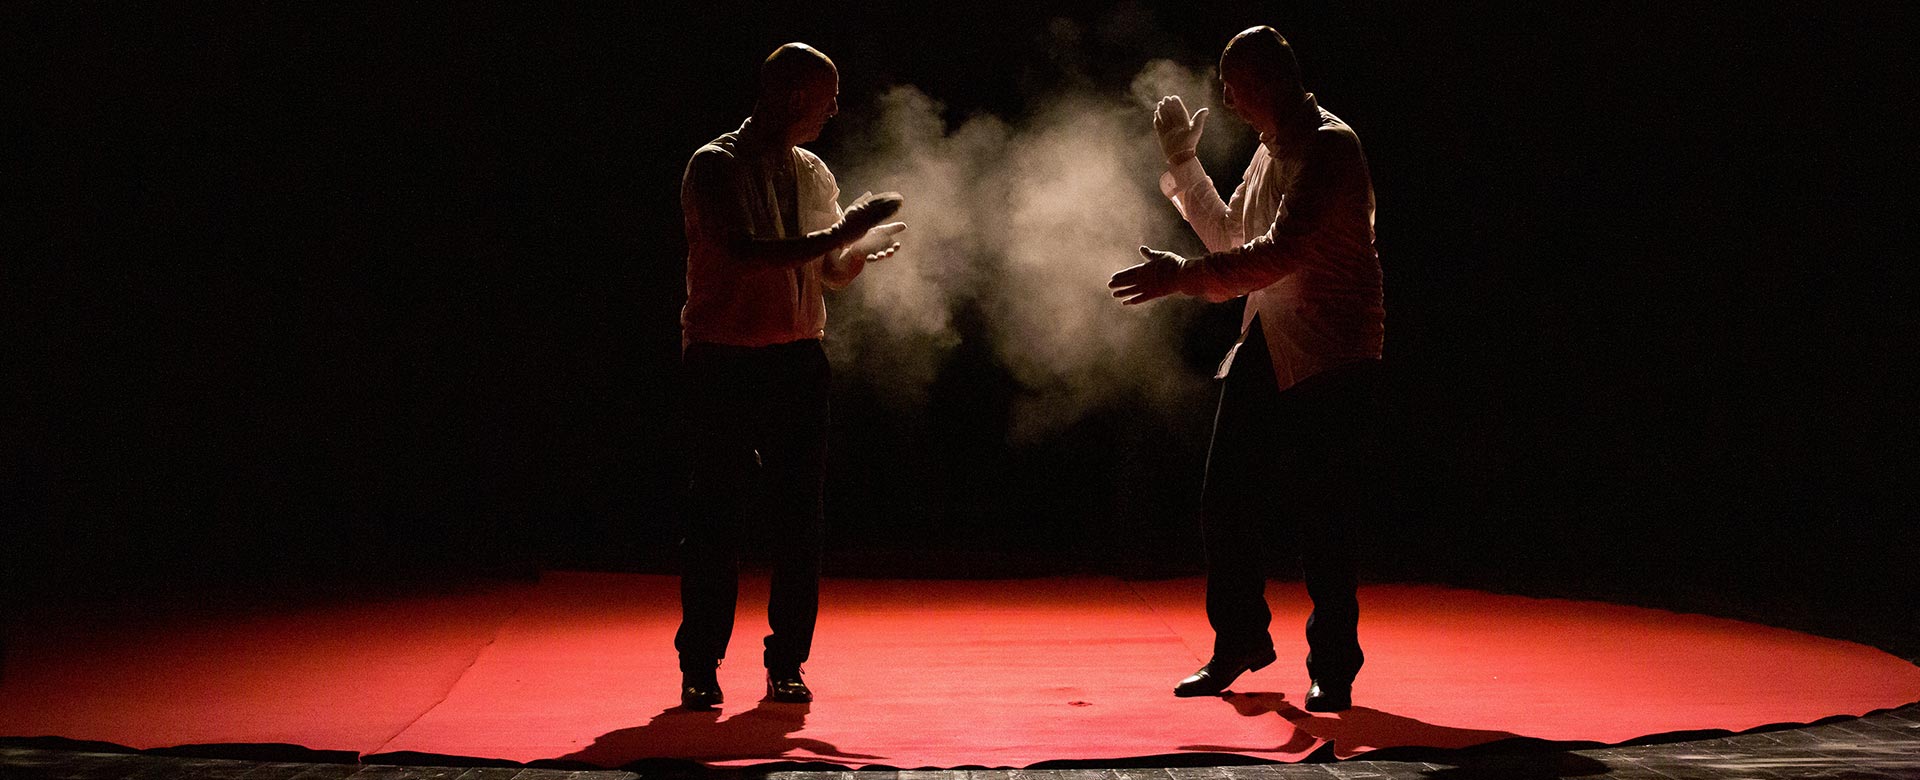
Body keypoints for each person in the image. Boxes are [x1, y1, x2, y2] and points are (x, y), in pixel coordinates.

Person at [1108, 26, 1385, 712]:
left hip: (1330, 346)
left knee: (1324, 513)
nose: (1227, 99)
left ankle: (1334, 667)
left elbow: (1275, 253)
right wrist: (1184, 163)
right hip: (1272, 333)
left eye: (1235, 86)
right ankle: (1240, 641)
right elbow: (1236, 238)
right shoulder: (1272, 152)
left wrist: (1183, 279)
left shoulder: (1328, 146)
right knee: (1225, 496)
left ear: (1269, 81)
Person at [676, 42, 906, 710]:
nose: (836, 110)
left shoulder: (811, 170)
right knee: (715, 513)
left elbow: (822, 269)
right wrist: (841, 234)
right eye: (828, 96)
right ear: (795, 95)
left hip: (798, 358)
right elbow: (748, 253)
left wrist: (852, 254)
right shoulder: (714, 165)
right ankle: (700, 663)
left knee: (799, 518)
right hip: (722, 356)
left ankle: (787, 662)